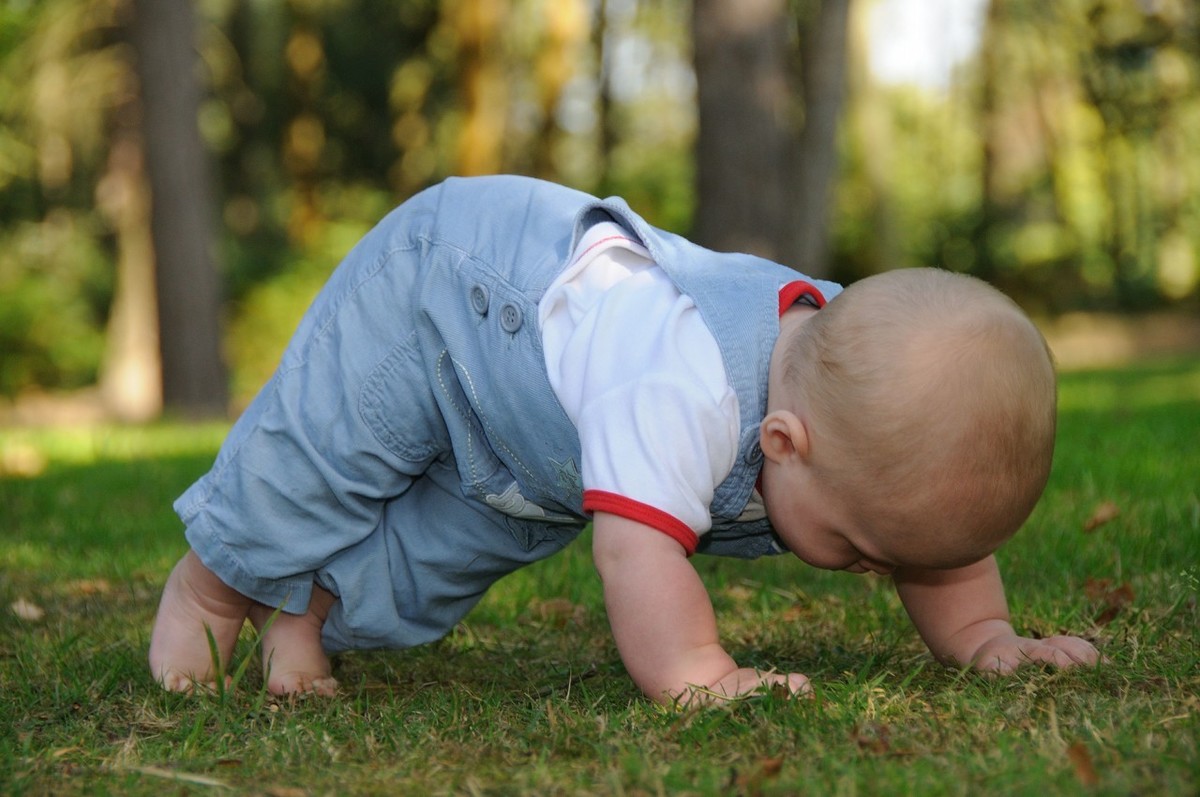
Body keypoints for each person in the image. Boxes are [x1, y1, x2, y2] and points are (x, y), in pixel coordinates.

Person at [149, 175, 1100, 704]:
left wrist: (984, 635)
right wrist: (698, 670)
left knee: (426, 566)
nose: (865, 570)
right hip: (446, 291)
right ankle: (211, 586)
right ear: (781, 440)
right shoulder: (682, 387)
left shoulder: (868, 384)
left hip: (543, 438)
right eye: (858, 548)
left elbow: (936, 536)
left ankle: (303, 623)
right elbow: (635, 552)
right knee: (321, 462)